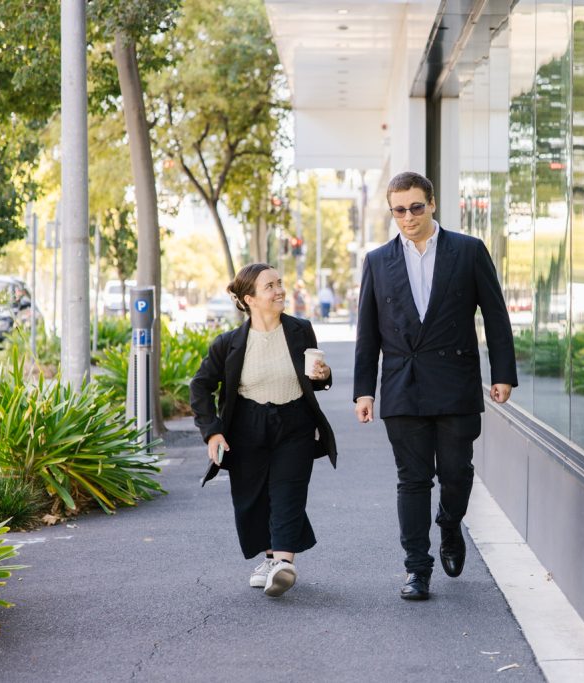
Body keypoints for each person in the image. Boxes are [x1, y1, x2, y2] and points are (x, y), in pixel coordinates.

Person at [354, 171, 518, 600]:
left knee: (456, 472)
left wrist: (502, 373)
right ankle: (416, 568)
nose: (408, 217)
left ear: (432, 204)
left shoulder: (468, 251)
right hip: (402, 385)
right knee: (412, 479)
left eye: (415, 207)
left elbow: (495, 316)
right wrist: (364, 390)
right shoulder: (378, 261)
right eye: (399, 210)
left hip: (455, 381)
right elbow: (367, 332)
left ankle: (449, 522)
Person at [190, 263, 337, 598]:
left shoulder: (300, 330)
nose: (279, 290)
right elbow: (200, 386)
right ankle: (270, 560)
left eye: (279, 283)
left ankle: (284, 563)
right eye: (269, 286)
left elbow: (315, 379)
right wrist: (213, 432)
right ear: (250, 299)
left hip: (295, 423)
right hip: (247, 425)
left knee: (288, 491)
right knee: (252, 497)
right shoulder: (228, 343)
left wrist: (324, 375)